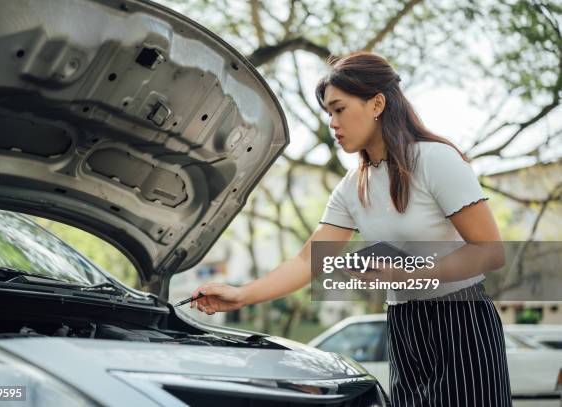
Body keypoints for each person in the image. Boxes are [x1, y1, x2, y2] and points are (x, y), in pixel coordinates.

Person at [189, 51, 512, 407]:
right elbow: (306, 262)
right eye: (328, 113)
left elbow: (490, 251)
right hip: (403, 324)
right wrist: (242, 295)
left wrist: (411, 274)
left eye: (339, 109)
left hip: (461, 320)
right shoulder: (351, 187)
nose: (332, 122)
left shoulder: (435, 160)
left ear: (376, 104)